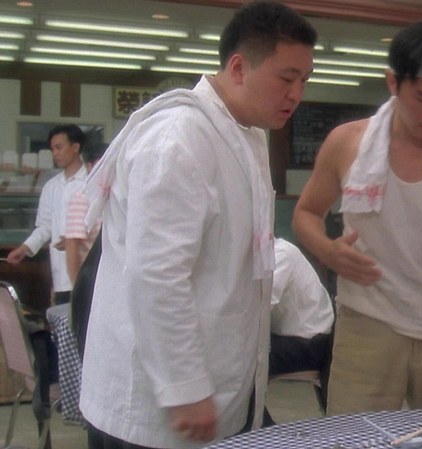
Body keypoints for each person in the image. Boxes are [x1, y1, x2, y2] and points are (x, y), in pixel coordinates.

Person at [78, 2, 316, 448]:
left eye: (305, 80)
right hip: (153, 404)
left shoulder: (247, 133)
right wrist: (183, 386)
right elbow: (157, 274)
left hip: (217, 386)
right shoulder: (178, 138)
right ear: (239, 67)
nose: (296, 94)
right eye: (286, 78)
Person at [293, 21, 422, 415]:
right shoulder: (348, 143)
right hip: (367, 324)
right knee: (353, 438)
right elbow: (306, 213)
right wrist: (327, 251)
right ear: (393, 82)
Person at [6, 124, 88, 305]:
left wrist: (76, 241)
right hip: (61, 276)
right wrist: (25, 248)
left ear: (75, 147)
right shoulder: (52, 186)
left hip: (88, 273)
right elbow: (45, 226)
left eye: (59, 147)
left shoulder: (91, 182)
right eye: (52, 149)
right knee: (63, 318)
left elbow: (101, 224)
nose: (55, 154)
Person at [268, 238, 334, 410]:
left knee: (241, 363)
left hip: (309, 344)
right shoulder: (272, 253)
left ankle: (255, 423)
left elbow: (259, 306)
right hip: (294, 338)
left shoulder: (280, 255)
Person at [64, 142, 107, 284]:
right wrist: (77, 286)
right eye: (102, 165)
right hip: (91, 279)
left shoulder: (114, 197)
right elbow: (72, 244)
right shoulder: (82, 198)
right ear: (90, 167)